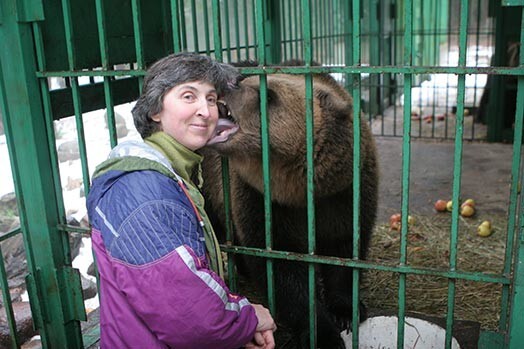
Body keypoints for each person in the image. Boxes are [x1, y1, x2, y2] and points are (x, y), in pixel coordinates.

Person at [86, 52, 276, 349]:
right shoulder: (145, 194)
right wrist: (247, 318)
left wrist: (237, 327)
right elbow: (192, 318)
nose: (206, 111)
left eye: (211, 99)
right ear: (154, 111)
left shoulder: (172, 173)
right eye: (189, 96)